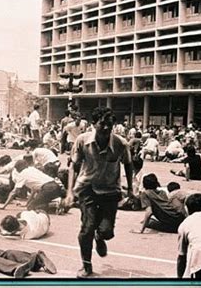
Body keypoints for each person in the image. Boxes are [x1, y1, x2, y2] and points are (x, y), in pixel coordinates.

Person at [65, 107, 133, 278]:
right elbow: (73, 165)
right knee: (87, 228)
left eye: (109, 124)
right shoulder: (82, 140)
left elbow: (128, 164)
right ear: (94, 124)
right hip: (87, 188)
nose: (106, 128)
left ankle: (100, 237)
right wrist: (69, 192)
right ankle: (86, 266)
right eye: (102, 124)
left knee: (107, 231)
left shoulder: (120, 144)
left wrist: (131, 188)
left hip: (110, 190)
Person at [0, 160, 65, 211]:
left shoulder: (22, 174)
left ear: (18, 169)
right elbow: (33, 191)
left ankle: (54, 204)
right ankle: (56, 204)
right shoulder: (32, 169)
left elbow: (13, 192)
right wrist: (27, 203)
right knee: (39, 202)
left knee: (31, 208)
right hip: (55, 186)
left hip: (48, 188)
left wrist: (4, 206)